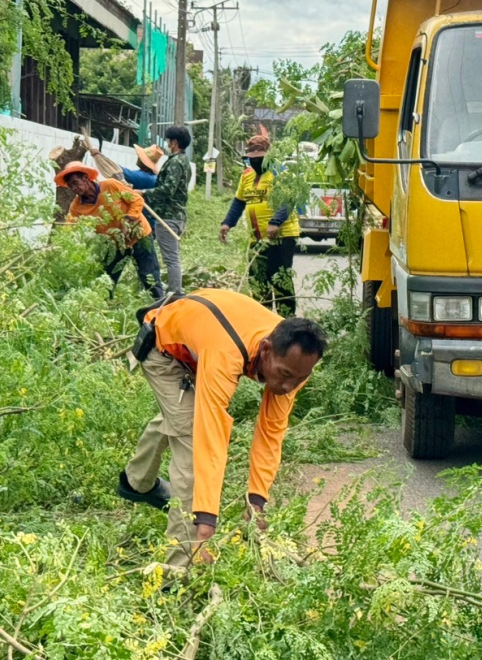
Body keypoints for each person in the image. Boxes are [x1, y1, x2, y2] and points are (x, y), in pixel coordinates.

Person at [118, 288, 327, 569]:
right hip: (162, 349)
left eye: (301, 379)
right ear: (265, 349)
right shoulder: (225, 354)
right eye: (285, 376)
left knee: (180, 416)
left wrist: (256, 500)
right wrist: (205, 518)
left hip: (198, 344)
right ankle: (178, 571)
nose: (289, 386)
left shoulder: (291, 363)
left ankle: (135, 483)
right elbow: (211, 434)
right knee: (192, 433)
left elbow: (271, 433)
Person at [56, 161, 164, 300]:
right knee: (106, 280)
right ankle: (104, 308)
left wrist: (129, 219)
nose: (74, 188)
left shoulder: (110, 186)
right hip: (115, 244)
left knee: (149, 277)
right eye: (70, 186)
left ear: (86, 178)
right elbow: (69, 228)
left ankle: (160, 306)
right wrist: (59, 244)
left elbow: (136, 199)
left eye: (75, 182)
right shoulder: (76, 207)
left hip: (139, 235)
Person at [219, 134, 301, 316]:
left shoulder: (281, 172)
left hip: (281, 237)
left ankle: (285, 321)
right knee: (257, 281)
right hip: (257, 238)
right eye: (253, 158)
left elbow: (289, 200)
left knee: (279, 279)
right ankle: (264, 321)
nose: (256, 161)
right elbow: (239, 201)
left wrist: (275, 222)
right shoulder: (247, 175)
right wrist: (227, 223)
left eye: (260, 158)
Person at [138, 126, 192, 295]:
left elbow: (168, 189)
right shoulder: (183, 161)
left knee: (171, 258)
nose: (167, 144)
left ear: (175, 142)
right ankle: (171, 290)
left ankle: (175, 293)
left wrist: (144, 193)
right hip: (176, 216)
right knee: (171, 256)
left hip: (168, 217)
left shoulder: (176, 162)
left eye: (169, 141)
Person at [90, 143, 164, 190]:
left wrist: (101, 158)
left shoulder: (147, 178)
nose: (138, 158)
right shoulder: (146, 174)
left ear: (144, 162)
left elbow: (121, 171)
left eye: (140, 157)